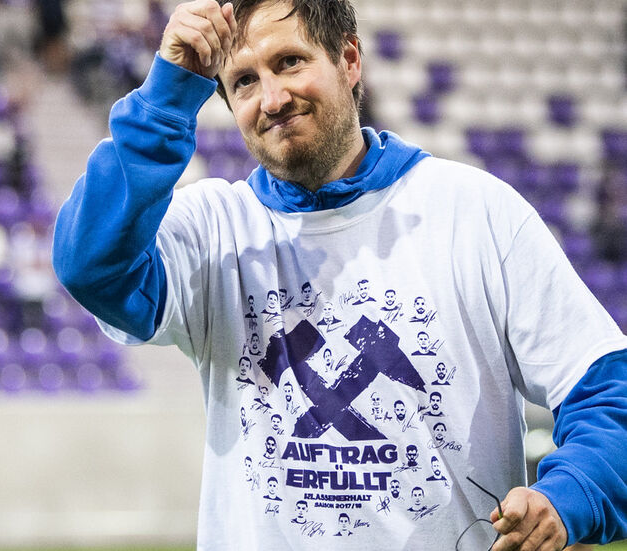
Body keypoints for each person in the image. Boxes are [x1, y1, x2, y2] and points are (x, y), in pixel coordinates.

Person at [52, 0, 627, 548]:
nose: (272, 98)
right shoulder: (212, 230)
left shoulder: (476, 213)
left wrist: (567, 496)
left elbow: (609, 392)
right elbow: (92, 267)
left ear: (350, 60)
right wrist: (165, 99)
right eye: (244, 81)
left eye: (289, 62)